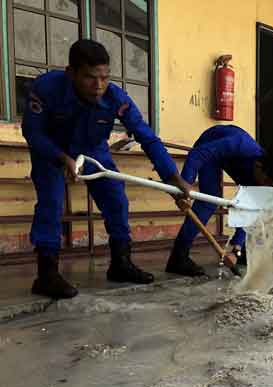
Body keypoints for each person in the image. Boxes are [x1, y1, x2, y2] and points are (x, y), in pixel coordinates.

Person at [22, 39, 191, 300]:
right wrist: (60, 157)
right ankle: (46, 275)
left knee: (115, 198)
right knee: (51, 202)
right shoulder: (46, 89)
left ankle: (120, 263)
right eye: (90, 78)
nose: (99, 86)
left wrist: (173, 177)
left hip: (92, 148)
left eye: (104, 77)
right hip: (51, 149)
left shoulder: (115, 97)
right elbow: (32, 132)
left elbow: (147, 137)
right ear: (71, 73)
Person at [166, 125, 273, 277]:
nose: (264, 186)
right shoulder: (240, 144)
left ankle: (242, 251)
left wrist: (236, 245)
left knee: (252, 205)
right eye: (265, 181)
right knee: (209, 200)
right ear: (258, 167)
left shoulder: (259, 178)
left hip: (228, 158)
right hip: (208, 145)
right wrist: (184, 185)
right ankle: (178, 256)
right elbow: (197, 155)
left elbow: (251, 208)